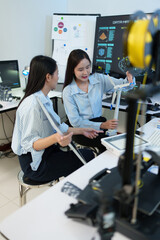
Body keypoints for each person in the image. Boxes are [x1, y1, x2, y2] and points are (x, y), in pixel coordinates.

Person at [11, 55, 101, 183]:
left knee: (84, 155)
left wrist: (82, 131)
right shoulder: (31, 106)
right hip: (35, 164)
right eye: (57, 73)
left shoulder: (44, 98)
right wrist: (56, 138)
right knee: (86, 156)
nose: (58, 77)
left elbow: (59, 127)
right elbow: (30, 144)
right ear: (48, 77)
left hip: (47, 152)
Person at [62, 49, 135, 153]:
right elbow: (76, 122)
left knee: (113, 143)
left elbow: (122, 85)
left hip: (99, 122)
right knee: (108, 145)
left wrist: (129, 79)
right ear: (72, 70)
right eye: (80, 69)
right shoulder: (68, 91)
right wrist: (102, 125)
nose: (86, 72)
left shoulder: (98, 79)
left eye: (88, 67)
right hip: (80, 129)